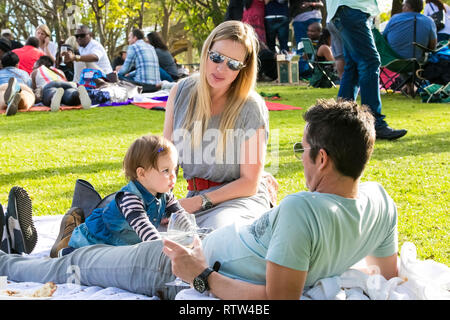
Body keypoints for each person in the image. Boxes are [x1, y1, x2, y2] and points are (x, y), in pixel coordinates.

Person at [0, 98, 399, 300]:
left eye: (303, 149)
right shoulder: (381, 201)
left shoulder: (301, 210)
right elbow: (389, 274)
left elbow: (277, 300)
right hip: (201, 244)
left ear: (322, 158)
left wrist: (200, 276)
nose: (301, 158)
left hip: (175, 265)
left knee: (77, 264)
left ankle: (9, 258)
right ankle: (86, 214)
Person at [163, 20, 272, 230]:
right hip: (192, 198)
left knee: (216, 235)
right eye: (216, 57)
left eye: (233, 64)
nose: (221, 68)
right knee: (144, 234)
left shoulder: (251, 106)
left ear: (243, 69)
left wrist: (197, 202)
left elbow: (249, 183)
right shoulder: (181, 92)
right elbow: (165, 157)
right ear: (206, 52)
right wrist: (158, 198)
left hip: (237, 201)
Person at [49, 135, 195, 257]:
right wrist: (164, 253)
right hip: (96, 240)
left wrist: (195, 239)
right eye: (165, 171)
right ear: (142, 174)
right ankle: (66, 243)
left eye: (174, 169)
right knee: (83, 259)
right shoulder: (130, 198)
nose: (173, 177)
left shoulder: (166, 194)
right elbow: (147, 232)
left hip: (123, 243)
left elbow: (181, 218)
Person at [326, 0, 408, 140]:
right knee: (370, 61)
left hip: (346, 11)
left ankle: (340, 122)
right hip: (352, 9)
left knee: (353, 67)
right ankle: (374, 122)